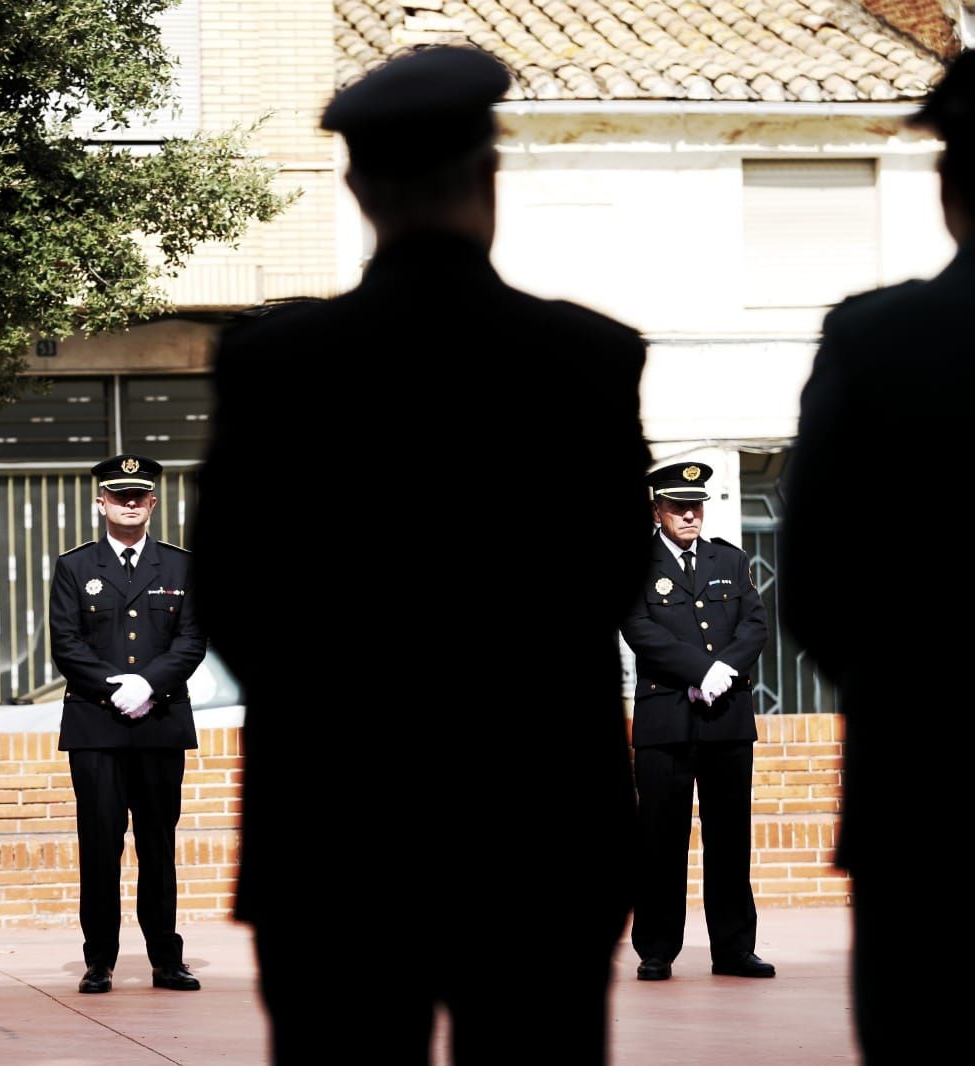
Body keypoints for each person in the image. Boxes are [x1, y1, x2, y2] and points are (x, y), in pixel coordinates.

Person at [194, 46, 651, 1063]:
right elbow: (614, 574)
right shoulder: (585, 357)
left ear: (356, 187)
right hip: (539, 821)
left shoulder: (276, 364)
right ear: (488, 180)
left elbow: (228, 588)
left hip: (336, 824)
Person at [781, 41, 975, 1064]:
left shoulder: (874, 339)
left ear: (944, 184)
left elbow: (813, 579)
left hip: (922, 773)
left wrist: (894, 687)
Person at [49, 453, 207, 994]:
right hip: (96, 726)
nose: (130, 503)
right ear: (101, 503)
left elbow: (192, 639)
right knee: (99, 844)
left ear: (153, 502)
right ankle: (100, 960)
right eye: (119, 495)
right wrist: (118, 688)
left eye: (139, 495)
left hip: (160, 723)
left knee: (158, 844)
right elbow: (65, 645)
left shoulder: (182, 566)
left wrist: (151, 685)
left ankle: (166, 958)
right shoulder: (74, 567)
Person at [619, 462, 772, 982]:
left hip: (726, 718)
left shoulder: (729, 557)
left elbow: (754, 621)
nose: (689, 513)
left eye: (696, 505)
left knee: (730, 838)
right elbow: (639, 627)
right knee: (660, 837)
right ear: (656, 508)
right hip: (667, 720)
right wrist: (700, 668)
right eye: (678, 505)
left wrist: (724, 670)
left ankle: (733, 949)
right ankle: (657, 948)